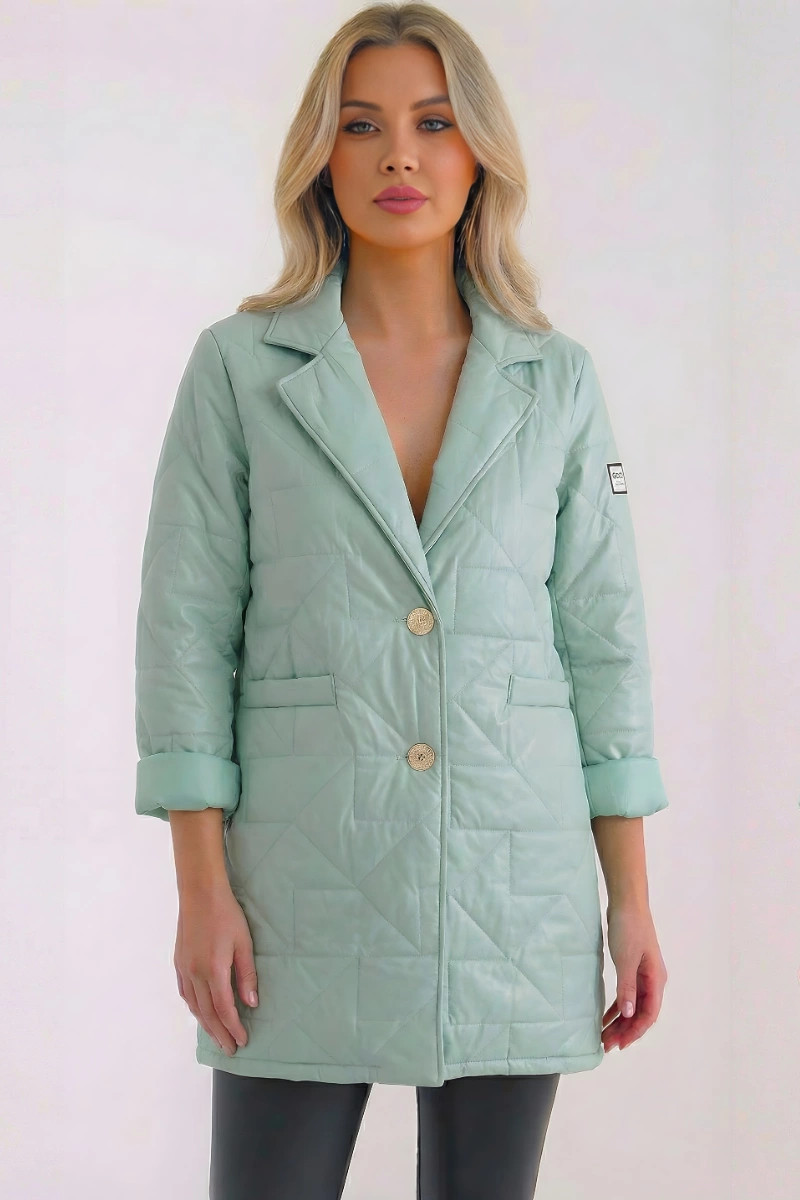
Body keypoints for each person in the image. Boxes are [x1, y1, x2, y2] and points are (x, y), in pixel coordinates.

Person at [133, 4, 669, 1197]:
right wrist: (200, 891)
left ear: (478, 153)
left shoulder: (555, 380)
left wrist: (628, 902)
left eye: (432, 123)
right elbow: (185, 635)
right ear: (319, 156)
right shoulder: (241, 369)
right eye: (360, 125)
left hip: (512, 887)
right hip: (294, 890)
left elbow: (603, 645)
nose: (399, 156)